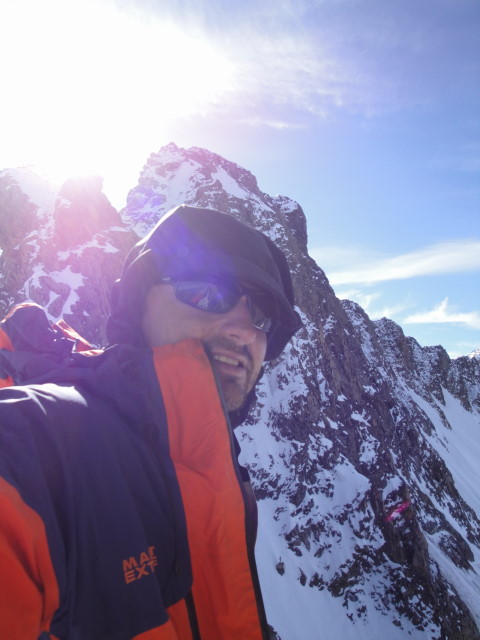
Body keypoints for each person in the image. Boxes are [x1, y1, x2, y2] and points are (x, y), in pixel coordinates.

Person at [0, 204, 301, 640]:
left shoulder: (220, 471)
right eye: (207, 291)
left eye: (261, 315)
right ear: (136, 306)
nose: (243, 329)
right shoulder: (31, 448)